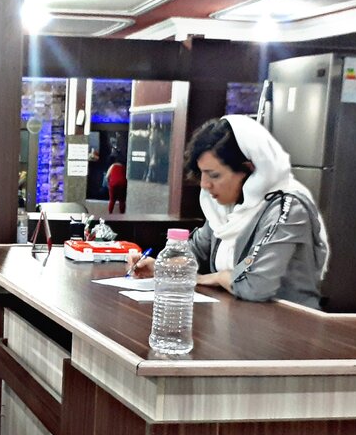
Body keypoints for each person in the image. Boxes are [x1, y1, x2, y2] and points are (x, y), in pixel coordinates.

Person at [128, 115, 329, 308]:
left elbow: (256, 286)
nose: (205, 184)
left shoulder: (287, 207)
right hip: (238, 317)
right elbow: (194, 255)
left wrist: (217, 277)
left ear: (249, 170)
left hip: (290, 323)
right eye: (202, 174)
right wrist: (160, 266)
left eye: (214, 175)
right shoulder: (224, 209)